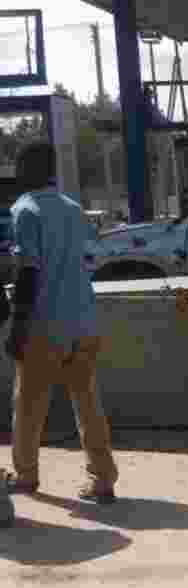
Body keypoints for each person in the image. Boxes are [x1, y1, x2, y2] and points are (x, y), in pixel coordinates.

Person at [4, 141, 118, 504]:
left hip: (44, 325)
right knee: (87, 401)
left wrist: (18, 327)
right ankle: (103, 480)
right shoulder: (73, 209)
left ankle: (25, 477)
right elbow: (88, 259)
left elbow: (29, 272)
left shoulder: (24, 210)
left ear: (26, 170)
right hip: (84, 321)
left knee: (28, 405)